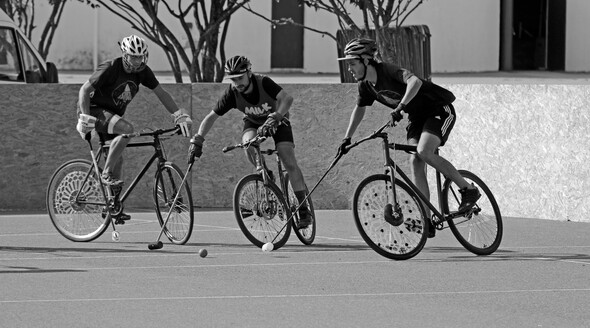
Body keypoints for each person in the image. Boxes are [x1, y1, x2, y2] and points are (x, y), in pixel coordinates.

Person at [336, 38, 480, 237]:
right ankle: (426, 220)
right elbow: (359, 109)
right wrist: (347, 139)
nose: (350, 69)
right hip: (417, 118)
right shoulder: (366, 85)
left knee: (424, 151)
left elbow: (415, 81)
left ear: (367, 60)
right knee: (415, 161)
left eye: (352, 63)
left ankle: (467, 189)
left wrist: (400, 106)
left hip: (438, 109)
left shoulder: (386, 70)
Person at [76, 34, 192, 222]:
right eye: (133, 56)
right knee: (128, 130)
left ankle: (112, 206)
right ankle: (105, 174)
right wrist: (85, 118)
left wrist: (178, 115)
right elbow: (84, 90)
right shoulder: (110, 67)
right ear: (124, 54)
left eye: (140, 57)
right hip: (95, 111)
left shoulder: (143, 71)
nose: (137, 61)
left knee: (117, 159)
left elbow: (161, 93)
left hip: (112, 117)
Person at [188, 55, 312, 229]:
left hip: (277, 119)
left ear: (249, 72)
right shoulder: (231, 93)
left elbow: (287, 99)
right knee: (247, 142)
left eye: (240, 77)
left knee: (288, 159)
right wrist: (198, 139)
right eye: (233, 79)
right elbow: (211, 117)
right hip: (253, 122)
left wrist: (276, 117)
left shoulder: (263, 82)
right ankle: (264, 172)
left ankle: (303, 208)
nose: (237, 82)